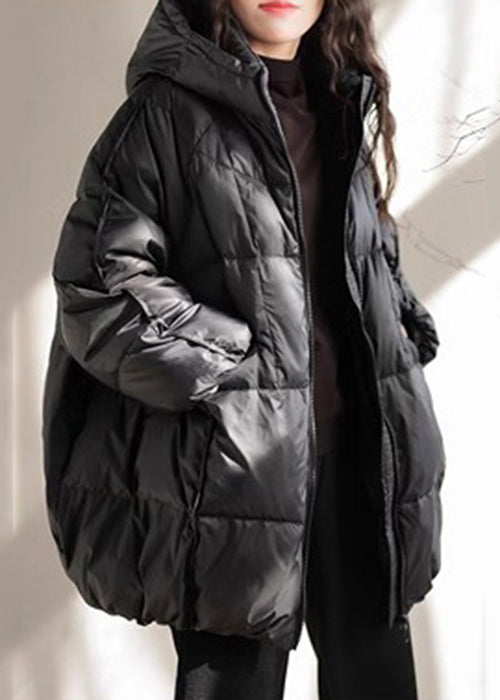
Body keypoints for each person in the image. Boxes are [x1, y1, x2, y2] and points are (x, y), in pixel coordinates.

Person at [42, 1, 447, 698]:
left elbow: (361, 259)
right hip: (234, 473)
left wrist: (403, 336)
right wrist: (233, 366)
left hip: (358, 462)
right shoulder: (165, 113)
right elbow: (98, 281)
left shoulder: (340, 100)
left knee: (378, 679)